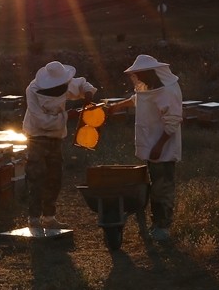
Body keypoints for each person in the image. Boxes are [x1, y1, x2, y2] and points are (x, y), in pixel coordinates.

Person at [105, 54, 183, 241]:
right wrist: (116, 107)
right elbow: (137, 99)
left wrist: (159, 145)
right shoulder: (149, 88)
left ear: (149, 72)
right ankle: (155, 224)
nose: (137, 78)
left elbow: (173, 121)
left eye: (139, 74)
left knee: (162, 188)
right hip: (152, 145)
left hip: (162, 148)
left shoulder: (168, 91)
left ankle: (163, 227)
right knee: (154, 185)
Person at [22, 60, 97, 232]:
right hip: (36, 137)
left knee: (54, 177)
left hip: (56, 139)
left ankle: (49, 217)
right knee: (36, 177)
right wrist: (66, 117)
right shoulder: (32, 90)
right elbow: (41, 120)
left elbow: (82, 83)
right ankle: (34, 218)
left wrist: (88, 92)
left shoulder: (65, 83)